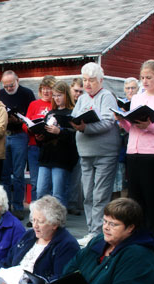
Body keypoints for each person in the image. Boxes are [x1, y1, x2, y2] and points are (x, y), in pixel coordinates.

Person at [116, 60, 154, 240]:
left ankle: (152, 241)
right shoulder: (137, 98)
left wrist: (150, 127)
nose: (144, 81)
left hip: (153, 155)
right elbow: (133, 128)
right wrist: (122, 120)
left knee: (152, 200)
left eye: (149, 77)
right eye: (142, 77)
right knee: (135, 200)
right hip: (133, 153)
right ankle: (135, 239)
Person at [70, 63, 121, 247]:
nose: (87, 84)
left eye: (91, 80)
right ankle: (92, 230)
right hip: (85, 152)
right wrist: (75, 124)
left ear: (101, 80)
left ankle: (98, 232)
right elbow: (74, 118)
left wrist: (86, 127)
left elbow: (108, 122)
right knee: (88, 194)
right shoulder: (82, 98)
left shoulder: (107, 96)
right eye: (85, 80)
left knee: (100, 194)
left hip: (105, 152)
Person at [0, 70, 36, 220]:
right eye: (6, 86)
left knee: (19, 173)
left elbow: (32, 116)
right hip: (4, 135)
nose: (8, 88)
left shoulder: (27, 94)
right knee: (4, 174)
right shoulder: (0, 94)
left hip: (20, 135)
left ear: (18, 80)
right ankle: (6, 207)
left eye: (11, 85)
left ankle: (18, 206)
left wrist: (19, 120)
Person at [36, 81, 78, 207]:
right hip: (46, 156)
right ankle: (40, 218)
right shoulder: (50, 113)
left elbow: (75, 136)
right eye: (54, 95)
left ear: (66, 95)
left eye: (59, 95)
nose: (56, 98)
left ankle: (57, 221)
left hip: (62, 157)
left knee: (58, 192)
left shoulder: (72, 112)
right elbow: (44, 132)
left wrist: (60, 132)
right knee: (41, 190)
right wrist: (39, 136)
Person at [25, 75, 57, 201]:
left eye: (49, 88)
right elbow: (25, 123)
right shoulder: (34, 104)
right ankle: (34, 211)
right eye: (43, 88)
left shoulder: (55, 105)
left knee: (49, 182)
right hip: (34, 145)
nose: (45, 91)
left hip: (50, 146)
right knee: (35, 180)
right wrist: (29, 128)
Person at [112, 78, 139, 200]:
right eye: (128, 88)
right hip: (121, 146)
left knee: (132, 181)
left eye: (133, 88)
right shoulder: (120, 105)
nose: (130, 91)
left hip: (137, 144)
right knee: (120, 181)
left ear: (137, 89)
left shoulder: (140, 102)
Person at [67, 78, 83, 216]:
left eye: (80, 92)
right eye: (76, 90)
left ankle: (72, 204)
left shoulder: (83, 105)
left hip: (78, 143)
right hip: (65, 143)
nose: (78, 94)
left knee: (75, 176)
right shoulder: (67, 105)